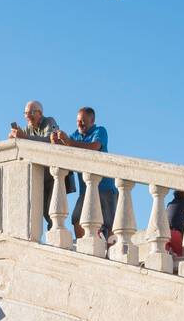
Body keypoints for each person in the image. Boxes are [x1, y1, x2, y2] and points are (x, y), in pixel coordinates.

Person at [51, 107, 118, 239]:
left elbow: (95, 147)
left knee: (110, 225)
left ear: (92, 120)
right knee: (77, 218)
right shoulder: (75, 135)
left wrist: (69, 142)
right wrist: (56, 142)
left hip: (105, 187)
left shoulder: (100, 131)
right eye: (78, 121)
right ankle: (84, 248)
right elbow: (65, 149)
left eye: (83, 121)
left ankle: (110, 254)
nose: (79, 124)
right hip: (85, 190)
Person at [9, 100, 68, 230]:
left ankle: (57, 236)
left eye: (31, 112)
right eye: (25, 113)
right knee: (42, 211)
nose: (28, 116)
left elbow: (49, 140)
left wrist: (24, 138)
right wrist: (13, 139)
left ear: (40, 113)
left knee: (53, 209)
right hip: (38, 175)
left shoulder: (49, 121)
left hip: (53, 174)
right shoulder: (26, 129)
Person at [166, 190, 184, 259]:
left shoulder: (169, 204)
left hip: (165, 234)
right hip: (176, 233)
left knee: (166, 256)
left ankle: (170, 251)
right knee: (179, 258)